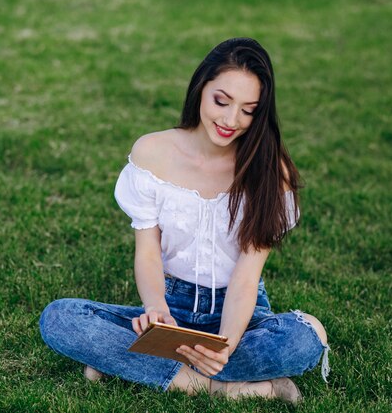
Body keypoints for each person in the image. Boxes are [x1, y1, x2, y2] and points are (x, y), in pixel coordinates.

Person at [39, 37, 329, 404]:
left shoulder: (272, 171)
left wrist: (226, 344)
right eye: (221, 101)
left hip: (240, 312)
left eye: (248, 110)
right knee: (60, 318)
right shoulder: (153, 153)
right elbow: (148, 253)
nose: (230, 120)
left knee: (307, 338)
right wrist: (156, 308)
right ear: (201, 88)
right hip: (172, 308)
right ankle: (230, 388)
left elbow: (246, 275)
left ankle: (129, 366)